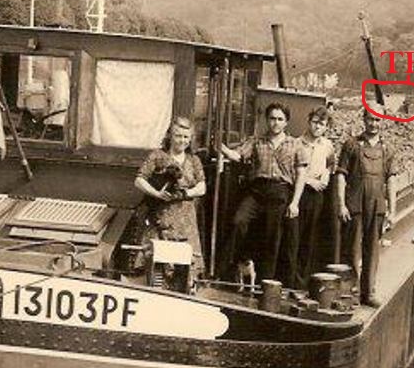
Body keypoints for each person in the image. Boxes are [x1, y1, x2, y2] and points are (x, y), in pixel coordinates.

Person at [221, 102, 309, 285]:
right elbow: (237, 155)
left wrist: (295, 203)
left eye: (280, 119)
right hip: (257, 190)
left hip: (280, 191)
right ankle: (240, 262)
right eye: (272, 118)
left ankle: (266, 282)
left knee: (272, 236)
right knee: (239, 221)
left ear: (286, 122)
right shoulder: (256, 141)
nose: (275, 123)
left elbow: (301, 175)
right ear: (267, 120)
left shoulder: (295, 144)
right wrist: (220, 146)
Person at [337, 111, 397, 307]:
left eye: (377, 119)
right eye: (370, 119)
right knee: (352, 249)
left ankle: (368, 293)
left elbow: (391, 180)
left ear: (382, 121)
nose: (374, 123)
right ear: (364, 120)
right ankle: (350, 292)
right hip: (355, 203)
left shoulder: (387, 149)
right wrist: (341, 204)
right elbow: (341, 175)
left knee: (372, 250)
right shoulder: (352, 145)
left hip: (377, 205)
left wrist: (393, 211)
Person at [132, 117, 207, 274]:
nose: (182, 140)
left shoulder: (194, 160)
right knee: (157, 266)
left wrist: (185, 193)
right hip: (162, 217)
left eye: (186, 137)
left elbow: (202, 187)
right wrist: (157, 194)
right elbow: (139, 180)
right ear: (170, 136)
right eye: (178, 136)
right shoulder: (157, 156)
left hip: (186, 222)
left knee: (184, 267)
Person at [294, 106, 337, 287]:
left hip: (317, 196)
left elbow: (331, 164)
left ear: (326, 127)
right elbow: (292, 170)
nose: (317, 127)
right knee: (295, 236)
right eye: (315, 122)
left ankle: (303, 281)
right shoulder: (297, 143)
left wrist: (326, 175)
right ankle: (292, 279)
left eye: (322, 124)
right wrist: (309, 181)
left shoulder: (327, 146)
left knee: (310, 238)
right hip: (299, 193)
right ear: (309, 122)